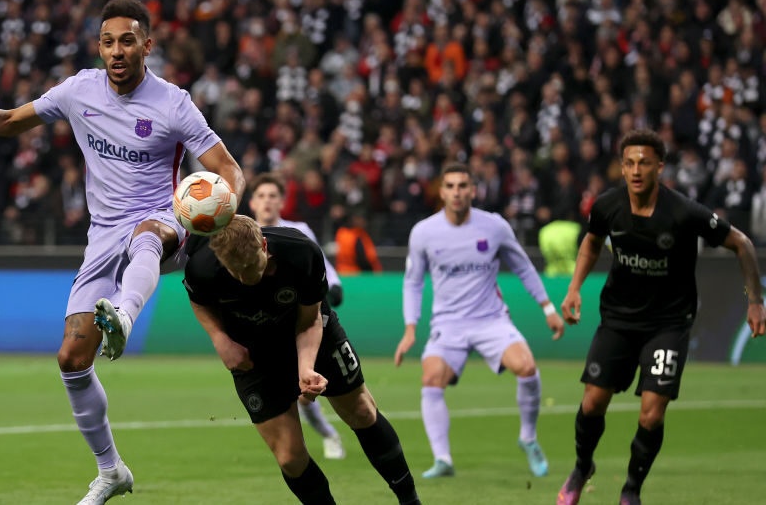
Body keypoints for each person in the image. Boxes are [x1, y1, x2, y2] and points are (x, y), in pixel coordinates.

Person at [0, 0, 244, 505]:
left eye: (127, 40)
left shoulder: (174, 103)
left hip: (163, 218)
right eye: (108, 42)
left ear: (147, 45)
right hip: (102, 234)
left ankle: (124, 317)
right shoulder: (78, 90)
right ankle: (111, 471)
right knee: (71, 359)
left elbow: (227, 167)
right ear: (99, 48)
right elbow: (8, 120)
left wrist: (226, 205)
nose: (116, 51)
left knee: (147, 234)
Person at [556, 129, 766, 505]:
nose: (637, 170)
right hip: (618, 319)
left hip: (668, 324)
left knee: (651, 415)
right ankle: (582, 466)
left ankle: (631, 490)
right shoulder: (607, 206)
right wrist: (574, 287)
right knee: (592, 403)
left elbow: (742, 243)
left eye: (645, 163)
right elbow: (592, 241)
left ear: (660, 167)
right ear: (622, 168)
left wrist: (755, 301)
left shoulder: (684, 212)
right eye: (630, 163)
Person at [184, 215, 421, 505]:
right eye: (236, 272)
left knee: (361, 411)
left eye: (250, 266)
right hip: (253, 354)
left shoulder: (301, 252)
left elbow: (309, 322)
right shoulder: (203, 266)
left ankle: (410, 501)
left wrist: (306, 367)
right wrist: (220, 340)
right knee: (289, 458)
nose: (245, 278)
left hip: (311, 331)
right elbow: (199, 302)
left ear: (264, 246)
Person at [394, 162, 564, 480]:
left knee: (527, 367)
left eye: (463, 186)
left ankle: (528, 438)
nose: (457, 192)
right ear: (441, 192)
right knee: (431, 378)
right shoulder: (424, 232)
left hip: (490, 319)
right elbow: (413, 282)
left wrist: (548, 308)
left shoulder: (495, 226)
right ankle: (442, 459)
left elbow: (524, 267)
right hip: (448, 323)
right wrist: (410, 328)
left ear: (473, 190)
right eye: (450, 186)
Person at [248, 173, 346, 459]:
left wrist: (334, 284)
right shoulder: (244, 232)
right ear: (252, 202)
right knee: (284, 394)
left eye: (273, 195)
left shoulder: (297, 229)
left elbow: (320, 261)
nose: (267, 201)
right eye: (261, 196)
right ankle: (298, 448)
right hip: (264, 325)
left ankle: (328, 435)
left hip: (300, 320)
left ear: (282, 201)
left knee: (304, 393)